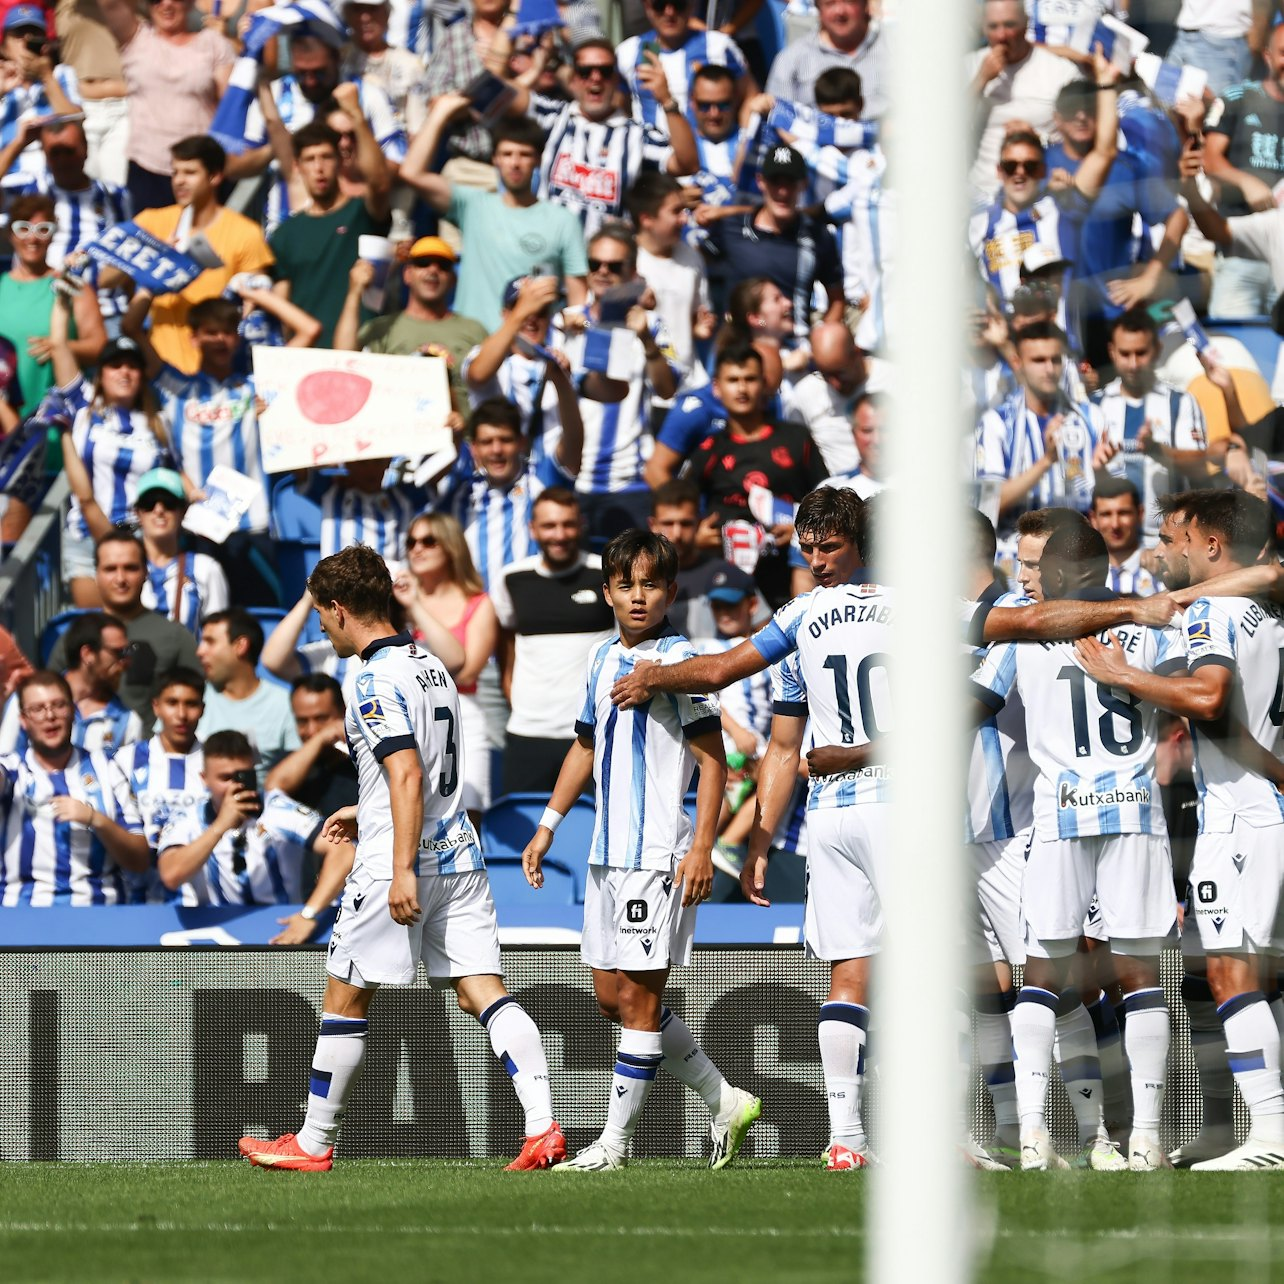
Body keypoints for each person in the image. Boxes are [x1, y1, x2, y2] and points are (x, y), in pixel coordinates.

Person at [239, 544, 567, 1172]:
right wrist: (364, 808)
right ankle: (543, 1126)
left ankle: (312, 1142)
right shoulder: (431, 663)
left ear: (338, 609)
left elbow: (408, 772)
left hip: (403, 859)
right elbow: (429, 770)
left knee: (346, 995)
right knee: (483, 992)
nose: (321, 629)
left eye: (320, 616)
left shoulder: (368, 676)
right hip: (461, 853)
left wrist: (399, 867)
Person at [608, 488, 882, 1168]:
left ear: (860, 544)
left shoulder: (801, 618)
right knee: (883, 974)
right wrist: (758, 839)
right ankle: (861, 1137)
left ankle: (851, 1135)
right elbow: (782, 747)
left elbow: (729, 671)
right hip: (871, 808)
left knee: (856, 975)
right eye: (808, 549)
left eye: (829, 548)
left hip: (843, 806)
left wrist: (655, 676)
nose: (817, 561)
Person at [521, 528, 759, 1171]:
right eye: (624, 584)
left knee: (639, 1002)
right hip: (606, 852)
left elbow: (716, 763)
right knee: (609, 997)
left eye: (649, 584)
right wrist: (547, 824)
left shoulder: (680, 664)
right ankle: (725, 1098)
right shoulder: (601, 660)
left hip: (658, 854)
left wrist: (703, 845)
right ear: (605, 591)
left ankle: (613, 1145)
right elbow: (585, 743)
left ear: (671, 592)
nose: (636, 596)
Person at [1074, 490, 1284, 1171]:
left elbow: (1208, 696)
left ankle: (1272, 1138)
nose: (1160, 550)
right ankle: (1229, 1132)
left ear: (1212, 546)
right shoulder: (1262, 609)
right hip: (1263, 805)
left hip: (1241, 817)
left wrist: (1119, 673)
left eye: (1172, 537)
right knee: (1229, 976)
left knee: (1227, 970)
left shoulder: (1213, 612)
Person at [972, 521, 1179, 1171]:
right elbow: (1184, 698)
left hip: (1060, 817)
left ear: (1059, 574)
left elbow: (971, 703)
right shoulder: (1147, 624)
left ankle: (1033, 1135)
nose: (1031, 577)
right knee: (1140, 980)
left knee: (1042, 979)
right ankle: (1143, 1137)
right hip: (1134, 812)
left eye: (1040, 567)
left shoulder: (1029, 629)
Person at [129, 293, 276, 606]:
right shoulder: (174, 387)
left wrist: (256, 295)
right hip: (199, 524)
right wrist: (151, 286)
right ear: (193, 337)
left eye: (227, 331)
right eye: (211, 332)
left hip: (254, 523)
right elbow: (131, 327)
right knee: (208, 619)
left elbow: (309, 332)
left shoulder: (256, 388)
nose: (220, 340)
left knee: (259, 619)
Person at [968, 48, 1120, 332]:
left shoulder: (1062, 207)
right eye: (1011, 166)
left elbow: (1104, 152)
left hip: (1063, 362)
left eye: (1030, 165)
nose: (1020, 172)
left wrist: (1105, 81)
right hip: (1010, 363)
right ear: (999, 172)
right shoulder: (979, 222)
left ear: (1042, 170)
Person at [400, 106, 589, 331]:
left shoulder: (563, 221)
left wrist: (578, 327)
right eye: (507, 154)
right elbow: (411, 173)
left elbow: (578, 303)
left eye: (524, 154)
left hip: (529, 351)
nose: (515, 163)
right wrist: (441, 111)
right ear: (495, 160)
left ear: (538, 160)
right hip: (472, 346)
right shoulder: (472, 205)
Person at [1044, 80, 1189, 361]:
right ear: (1057, 119)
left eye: (1090, 109)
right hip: (1055, 315)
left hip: (1110, 315)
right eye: (1073, 110)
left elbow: (1178, 216)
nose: (1082, 117)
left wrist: (1150, 276)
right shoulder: (1038, 164)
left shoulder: (1126, 166)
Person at [44, 316, 180, 606]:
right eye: (115, 365)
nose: (124, 372)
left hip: (142, 544)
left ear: (143, 375)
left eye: (132, 366)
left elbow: (178, 476)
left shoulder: (159, 422)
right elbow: (59, 348)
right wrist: (63, 301)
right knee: (95, 634)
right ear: (101, 373)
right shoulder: (82, 408)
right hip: (85, 537)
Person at [489, 487, 615, 794]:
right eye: (549, 525)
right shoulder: (511, 578)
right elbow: (505, 638)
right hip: (527, 731)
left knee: (594, 832)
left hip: (592, 733)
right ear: (533, 529)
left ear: (581, 524)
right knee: (525, 835)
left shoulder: (606, 573)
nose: (559, 534)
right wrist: (510, 688)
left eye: (567, 524)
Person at [115, 135, 274, 374]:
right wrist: (151, 256)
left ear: (215, 176)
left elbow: (253, 306)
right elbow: (107, 279)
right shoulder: (151, 221)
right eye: (175, 172)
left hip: (215, 376)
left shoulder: (245, 232)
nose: (179, 181)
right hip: (161, 374)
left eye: (189, 173)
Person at [514, 35, 699, 237]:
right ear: (573, 79)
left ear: (615, 79)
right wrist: (536, 68)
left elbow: (687, 163)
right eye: (585, 71)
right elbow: (490, 92)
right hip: (548, 250)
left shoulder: (638, 136)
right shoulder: (553, 117)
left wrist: (667, 100)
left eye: (605, 71)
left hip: (605, 261)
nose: (596, 78)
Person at [562, 222, 681, 536]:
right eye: (594, 264)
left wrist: (646, 341)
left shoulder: (651, 325)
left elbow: (668, 390)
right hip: (573, 480)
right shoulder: (566, 323)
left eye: (613, 266)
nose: (602, 271)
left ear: (632, 271)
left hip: (631, 484)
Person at [157, 728, 351, 921]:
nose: (235, 786)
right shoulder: (187, 817)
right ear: (204, 779)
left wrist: (309, 914)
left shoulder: (277, 809)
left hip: (279, 926)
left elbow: (344, 851)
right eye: (225, 778)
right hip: (214, 929)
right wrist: (220, 826)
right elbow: (171, 876)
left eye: (242, 776)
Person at [686, 340, 826, 604]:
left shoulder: (797, 439)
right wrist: (696, 537)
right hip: (728, 588)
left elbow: (827, 502)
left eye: (750, 379)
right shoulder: (708, 449)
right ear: (717, 387)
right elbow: (679, 507)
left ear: (764, 384)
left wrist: (799, 528)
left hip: (791, 576)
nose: (742, 388)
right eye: (733, 380)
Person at [227, 34, 405, 235]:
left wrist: (356, 123)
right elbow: (236, 162)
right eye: (301, 73)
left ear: (337, 59)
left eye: (319, 72)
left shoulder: (366, 94)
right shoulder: (278, 95)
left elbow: (389, 171)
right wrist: (283, 145)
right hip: (285, 232)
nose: (310, 81)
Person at [0, 669, 149, 905]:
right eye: (38, 709)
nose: (50, 716)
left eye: (58, 705)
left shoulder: (107, 768)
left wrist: (95, 819)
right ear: (23, 720)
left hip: (97, 911)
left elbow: (140, 860)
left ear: (73, 711)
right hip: (21, 912)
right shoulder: (11, 768)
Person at [391, 511, 498, 820]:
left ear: (451, 546)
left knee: (469, 820)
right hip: (412, 715)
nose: (416, 549)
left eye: (428, 541)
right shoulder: (395, 604)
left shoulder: (478, 602)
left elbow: (467, 671)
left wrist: (416, 607)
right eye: (411, 542)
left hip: (464, 716)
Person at [973, 321, 1108, 555]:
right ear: (1018, 362)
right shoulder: (997, 422)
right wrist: (1045, 462)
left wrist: (1103, 474)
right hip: (1016, 561)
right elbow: (988, 506)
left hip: (1074, 557)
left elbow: (1112, 503)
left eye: (1055, 360)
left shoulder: (1090, 417)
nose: (1048, 369)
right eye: (1038, 360)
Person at [47, 529, 200, 721]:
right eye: (110, 569)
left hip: (147, 747)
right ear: (96, 575)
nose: (120, 579)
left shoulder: (176, 637)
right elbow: (49, 696)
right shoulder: (74, 636)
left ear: (146, 572)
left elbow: (199, 700)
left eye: (130, 568)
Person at [97, 0, 234, 212]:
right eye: (156, 0)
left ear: (190, 4)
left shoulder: (214, 44)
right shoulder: (136, 39)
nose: (166, 5)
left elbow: (228, 109)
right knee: (151, 240)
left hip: (200, 168)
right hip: (148, 167)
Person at [268, 116, 392, 349]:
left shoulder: (362, 213)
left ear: (340, 161)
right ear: (297, 166)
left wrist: (354, 111)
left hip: (362, 349)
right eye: (310, 159)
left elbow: (380, 183)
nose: (319, 168)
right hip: (309, 354)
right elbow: (281, 306)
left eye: (326, 157)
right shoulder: (285, 234)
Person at [702, 144, 845, 340]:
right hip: (739, 350)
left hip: (795, 349)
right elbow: (695, 267)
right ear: (760, 181)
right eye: (775, 182)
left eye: (790, 182)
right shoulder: (729, 228)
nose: (782, 191)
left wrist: (817, 345)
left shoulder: (818, 236)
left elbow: (837, 300)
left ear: (803, 184)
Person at [1093, 308, 1210, 543]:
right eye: (1125, 354)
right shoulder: (1093, 406)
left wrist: (1157, 450)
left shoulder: (1180, 402)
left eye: (1141, 353)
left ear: (1157, 350)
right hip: (1109, 543)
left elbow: (1199, 467)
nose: (1133, 364)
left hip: (1166, 541)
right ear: (1112, 352)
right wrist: (1096, 469)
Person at [461, 277, 586, 482]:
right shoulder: (484, 355)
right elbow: (478, 374)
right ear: (506, 315)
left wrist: (590, 324)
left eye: (541, 311)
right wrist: (522, 312)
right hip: (493, 484)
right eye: (522, 309)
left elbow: (615, 390)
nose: (531, 317)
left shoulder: (562, 359)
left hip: (546, 486)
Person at [335, 235, 483, 408]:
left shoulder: (474, 330)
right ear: (407, 274)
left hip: (460, 433)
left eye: (443, 266)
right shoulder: (381, 328)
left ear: (453, 278)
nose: (433, 270)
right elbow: (342, 360)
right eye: (423, 263)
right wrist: (354, 292)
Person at [0, 192, 105, 416]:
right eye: (23, 228)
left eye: (43, 229)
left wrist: (62, 346)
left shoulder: (72, 286)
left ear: (53, 235)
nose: (33, 238)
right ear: (11, 234)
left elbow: (99, 346)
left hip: (57, 414)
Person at [966, 0, 1077, 199]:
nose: (1002, 35)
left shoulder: (1060, 71)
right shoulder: (968, 67)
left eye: (1010, 25)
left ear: (1026, 24)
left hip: (1042, 196)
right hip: (982, 195)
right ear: (983, 28)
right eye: (993, 27)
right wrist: (981, 80)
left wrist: (1038, 138)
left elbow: (1080, 139)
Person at [114, 665, 207, 902]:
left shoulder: (215, 764)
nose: (182, 714)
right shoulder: (125, 760)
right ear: (156, 706)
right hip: (136, 900)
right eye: (172, 703)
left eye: (191, 704)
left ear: (203, 709)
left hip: (201, 901)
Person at [627, 170, 715, 416]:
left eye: (684, 211)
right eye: (675, 212)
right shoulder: (623, 263)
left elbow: (697, 318)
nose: (684, 220)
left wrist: (699, 328)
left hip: (691, 387)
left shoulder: (692, 258)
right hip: (645, 394)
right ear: (646, 218)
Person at [0, 610, 140, 754]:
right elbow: (5, 760)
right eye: (118, 652)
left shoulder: (127, 720)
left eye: (127, 652)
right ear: (88, 654)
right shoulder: (27, 699)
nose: (126, 661)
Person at [647, 478, 763, 641]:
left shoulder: (728, 573)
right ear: (652, 525)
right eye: (668, 523)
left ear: (699, 522)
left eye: (685, 523)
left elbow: (765, 633)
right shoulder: (639, 578)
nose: (677, 533)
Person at [195, 608, 300, 784]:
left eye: (210, 642)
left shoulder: (285, 705)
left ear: (240, 646)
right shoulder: (191, 698)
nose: (200, 651)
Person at [617, 0, 754, 133]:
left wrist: (744, 142)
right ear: (646, 5)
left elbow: (750, 97)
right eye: (660, 5)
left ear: (692, 4)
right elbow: (618, 107)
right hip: (648, 152)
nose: (669, 12)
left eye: (679, 4)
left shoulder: (718, 46)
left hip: (707, 153)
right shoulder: (628, 51)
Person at [132, 467, 230, 634]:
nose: (159, 510)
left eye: (169, 503)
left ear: (183, 511)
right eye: (149, 503)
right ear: (138, 513)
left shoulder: (206, 569)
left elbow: (217, 637)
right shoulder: (123, 567)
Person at [0, 5, 82, 186]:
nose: (27, 40)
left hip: (56, 183)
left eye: (34, 34)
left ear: (44, 43)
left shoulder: (61, 75)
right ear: (4, 46)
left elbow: (75, 129)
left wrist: (46, 77)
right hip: (9, 186)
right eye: (19, 34)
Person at [765, 0, 888, 118]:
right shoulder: (790, 60)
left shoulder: (897, 50)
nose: (840, 11)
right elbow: (778, 118)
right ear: (818, 9)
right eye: (829, 3)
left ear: (866, 4)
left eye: (849, 1)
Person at [264, 673, 358, 821]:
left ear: (344, 712)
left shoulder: (364, 764)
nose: (311, 730)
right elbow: (274, 790)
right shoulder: (287, 762)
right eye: (302, 721)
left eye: (321, 718)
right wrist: (320, 739)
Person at [1089, 477, 1158, 597]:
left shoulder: (1162, 568)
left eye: (1123, 513)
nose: (1115, 524)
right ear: (1093, 519)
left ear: (1140, 514)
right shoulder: (1083, 576)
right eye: (1106, 514)